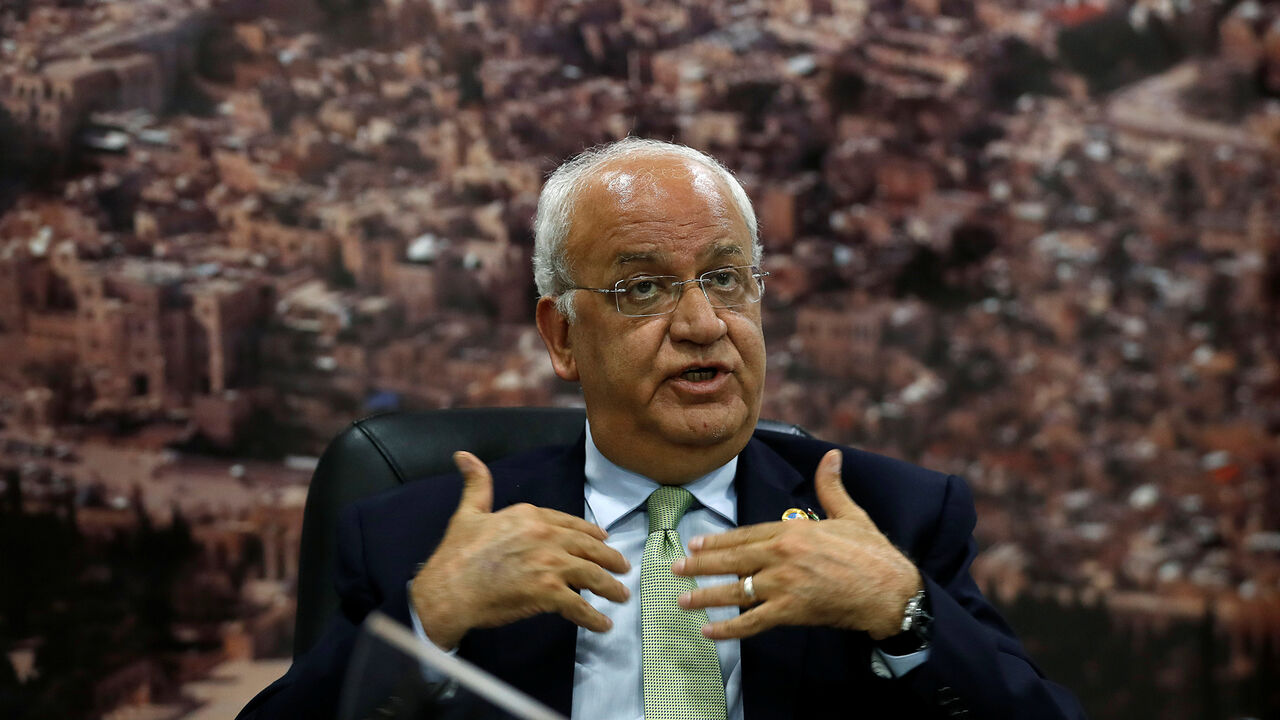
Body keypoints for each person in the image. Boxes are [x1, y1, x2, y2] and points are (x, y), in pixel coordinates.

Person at [239, 138, 1086, 719]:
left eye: (726, 279)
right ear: (563, 336)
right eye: (643, 289)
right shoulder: (419, 537)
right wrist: (431, 618)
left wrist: (904, 613)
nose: (703, 324)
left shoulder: (893, 518)